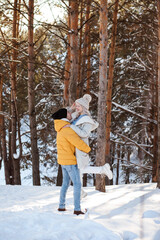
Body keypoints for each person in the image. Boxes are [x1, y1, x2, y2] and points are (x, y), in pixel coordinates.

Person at [63, 94, 113, 197]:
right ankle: (81, 192)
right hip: (74, 147)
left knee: (79, 169)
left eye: (78, 106)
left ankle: (102, 170)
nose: (77, 107)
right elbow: (62, 116)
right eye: (76, 105)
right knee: (78, 169)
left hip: (80, 147)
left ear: (84, 107)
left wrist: (72, 126)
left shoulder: (87, 120)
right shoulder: (77, 115)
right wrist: (71, 108)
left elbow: (84, 133)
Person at [52, 108, 91, 215]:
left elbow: (71, 116)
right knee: (77, 184)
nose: (70, 114)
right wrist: (88, 149)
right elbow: (77, 142)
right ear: (64, 116)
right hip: (70, 161)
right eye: (68, 113)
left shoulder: (60, 127)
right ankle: (77, 209)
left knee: (65, 184)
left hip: (63, 161)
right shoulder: (67, 130)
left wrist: (76, 110)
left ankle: (61, 206)